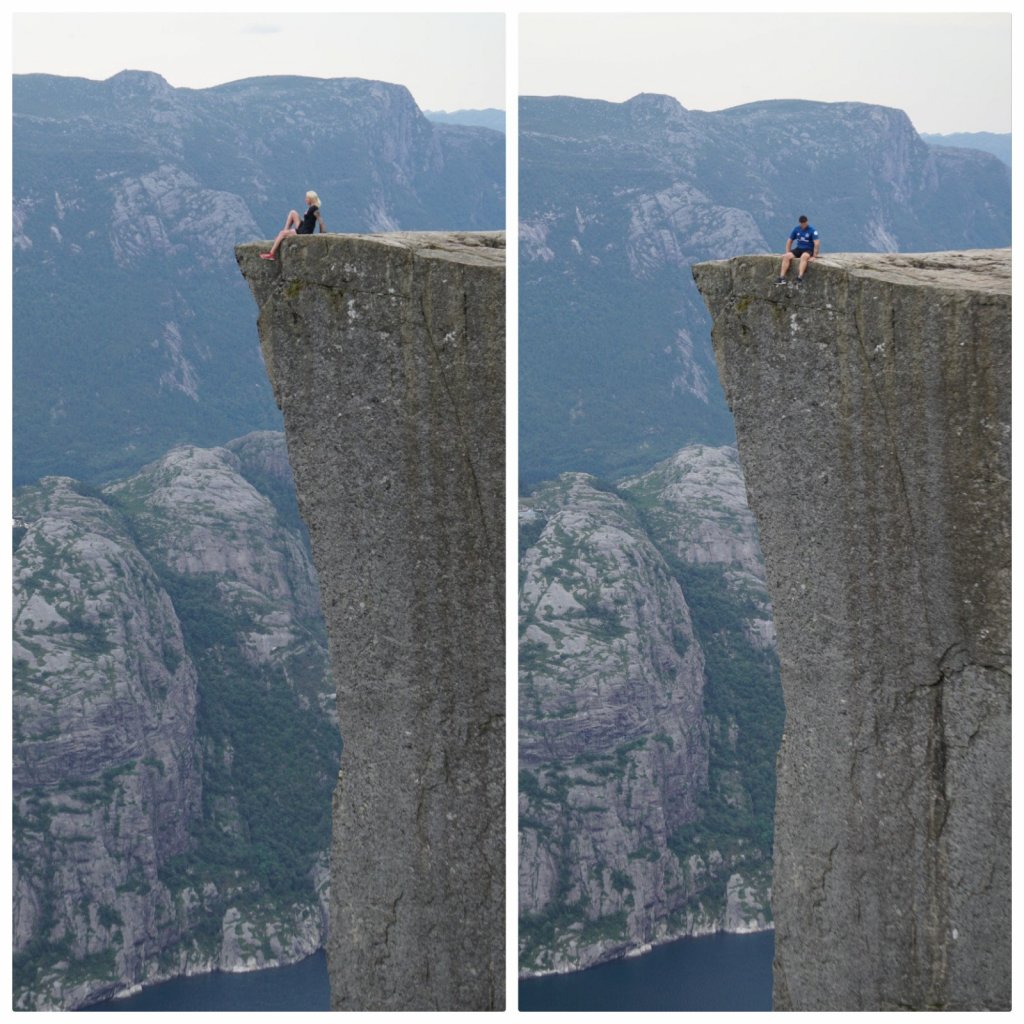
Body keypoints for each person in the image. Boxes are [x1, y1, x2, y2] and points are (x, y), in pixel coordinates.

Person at [260, 191, 326, 259]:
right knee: (293, 212)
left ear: (311, 199)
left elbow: (320, 220)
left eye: (307, 198)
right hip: (304, 226)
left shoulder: (314, 208)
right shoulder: (311, 207)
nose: (305, 199)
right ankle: (285, 231)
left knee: (282, 233)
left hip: (304, 231)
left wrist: (322, 232)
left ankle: (271, 254)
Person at [777, 215, 820, 285]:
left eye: (804, 224)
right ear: (799, 223)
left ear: (807, 222)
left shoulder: (812, 230)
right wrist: (787, 252)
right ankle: (781, 278)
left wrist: (814, 256)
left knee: (804, 257)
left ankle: (799, 278)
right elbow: (789, 241)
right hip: (799, 248)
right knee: (786, 257)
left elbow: (817, 243)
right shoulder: (796, 229)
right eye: (802, 224)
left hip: (808, 249)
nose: (803, 225)